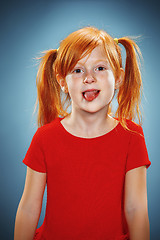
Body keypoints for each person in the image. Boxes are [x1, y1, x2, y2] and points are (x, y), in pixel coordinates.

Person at [14, 26, 151, 240]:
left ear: (119, 78)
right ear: (62, 82)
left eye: (100, 68)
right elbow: (29, 209)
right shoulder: (44, 138)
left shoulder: (132, 137)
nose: (89, 78)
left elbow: (137, 210)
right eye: (78, 70)